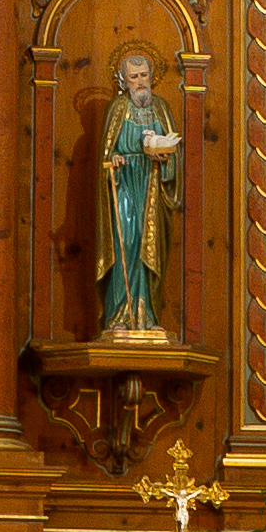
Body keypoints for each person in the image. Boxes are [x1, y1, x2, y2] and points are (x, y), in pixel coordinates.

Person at [94, 52, 181, 339]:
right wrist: (114, 160)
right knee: (127, 244)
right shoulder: (118, 108)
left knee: (151, 247)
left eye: (144, 75)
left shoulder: (161, 108)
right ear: (123, 80)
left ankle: (149, 315)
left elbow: (175, 157)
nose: (140, 82)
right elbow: (106, 154)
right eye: (134, 77)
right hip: (124, 185)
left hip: (152, 185)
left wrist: (165, 158)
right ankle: (120, 314)